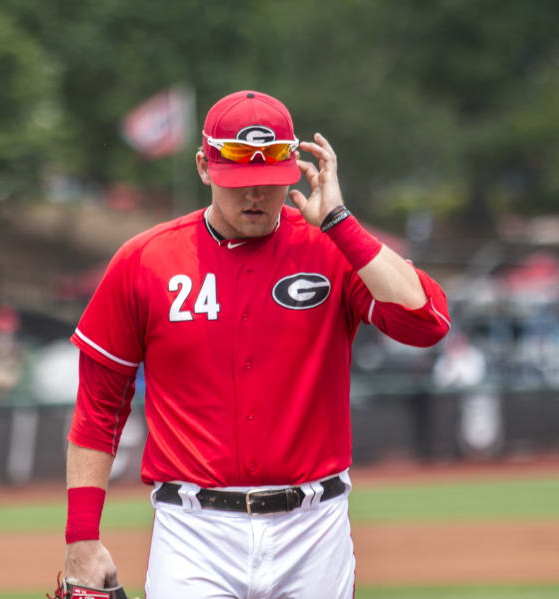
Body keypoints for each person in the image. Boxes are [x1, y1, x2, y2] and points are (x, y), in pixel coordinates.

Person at [61, 90, 450, 598]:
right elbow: (99, 409)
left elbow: (428, 322)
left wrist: (341, 224)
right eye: (240, 181)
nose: (256, 196)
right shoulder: (146, 261)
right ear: (204, 166)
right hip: (194, 531)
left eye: (270, 182)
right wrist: (81, 538)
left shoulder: (330, 248)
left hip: (313, 530)